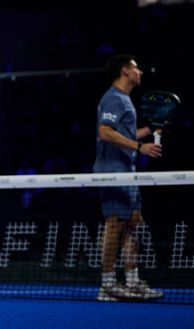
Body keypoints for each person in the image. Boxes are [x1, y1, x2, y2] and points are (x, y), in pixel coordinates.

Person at [93, 54, 163, 301]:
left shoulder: (123, 100)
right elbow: (105, 132)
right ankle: (108, 285)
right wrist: (139, 146)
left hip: (127, 172)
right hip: (112, 172)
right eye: (136, 68)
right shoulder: (114, 98)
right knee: (115, 224)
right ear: (125, 71)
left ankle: (132, 282)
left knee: (134, 222)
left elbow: (125, 133)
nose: (140, 72)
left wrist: (151, 130)